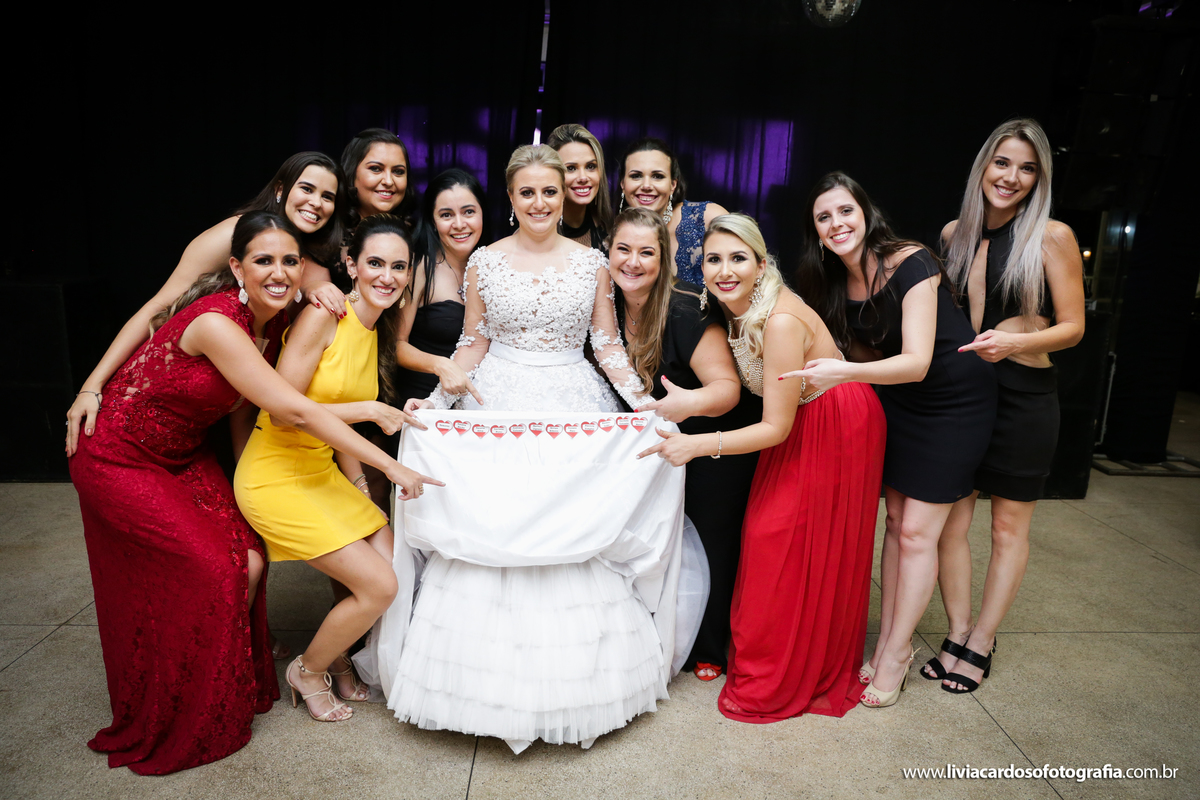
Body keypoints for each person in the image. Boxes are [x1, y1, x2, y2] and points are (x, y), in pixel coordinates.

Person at [69, 212, 432, 773]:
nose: (279, 272)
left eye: (290, 261)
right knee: (223, 570)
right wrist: (91, 385)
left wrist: (360, 484)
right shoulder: (222, 322)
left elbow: (279, 404)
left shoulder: (288, 319)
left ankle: (301, 664)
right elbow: (288, 411)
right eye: (264, 261)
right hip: (123, 449)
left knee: (256, 563)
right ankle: (255, 680)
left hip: (194, 452)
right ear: (237, 267)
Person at [386, 144, 665, 751]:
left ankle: (575, 688)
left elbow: (606, 344)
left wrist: (643, 402)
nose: (540, 203)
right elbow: (472, 343)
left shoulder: (593, 262)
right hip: (499, 402)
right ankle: (483, 690)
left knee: (568, 530)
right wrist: (435, 403)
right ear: (511, 199)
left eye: (550, 192)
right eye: (528, 192)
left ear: (564, 197)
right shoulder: (484, 262)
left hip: (572, 399)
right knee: (498, 524)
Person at [640, 213, 886, 721]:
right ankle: (782, 653)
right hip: (798, 421)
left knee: (787, 539)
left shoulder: (779, 321)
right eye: (714, 259)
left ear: (761, 263)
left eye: (738, 258)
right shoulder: (728, 307)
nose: (725, 270)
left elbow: (775, 426)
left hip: (834, 423)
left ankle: (797, 665)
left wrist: (696, 445)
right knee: (771, 539)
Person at [793, 173, 997, 709]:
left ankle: (898, 651)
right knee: (895, 523)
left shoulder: (911, 260)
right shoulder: (833, 283)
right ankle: (887, 640)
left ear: (866, 212)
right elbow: (865, 355)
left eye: (845, 211)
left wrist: (841, 372)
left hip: (954, 403)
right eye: (824, 217)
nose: (837, 224)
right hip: (902, 405)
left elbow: (916, 361)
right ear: (816, 233)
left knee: (916, 533)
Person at [235, 214, 435, 722]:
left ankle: (340, 653)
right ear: (351, 264)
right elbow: (285, 408)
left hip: (321, 471)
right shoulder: (324, 315)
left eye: (398, 267)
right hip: (275, 475)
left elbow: (336, 419)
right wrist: (383, 449)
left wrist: (360, 485)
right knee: (380, 586)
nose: (386, 277)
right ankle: (308, 670)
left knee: (391, 563)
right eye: (375, 263)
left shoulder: (374, 328)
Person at [924, 119, 1085, 693]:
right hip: (966, 397)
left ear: (1039, 178)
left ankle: (982, 640)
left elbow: (1074, 327)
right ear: (983, 167)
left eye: (1027, 168)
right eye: (1002, 163)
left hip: (1024, 399)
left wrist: (1014, 343)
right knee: (951, 523)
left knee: (1008, 528)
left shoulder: (1052, 236)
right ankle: (957, 630)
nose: (1011, 177)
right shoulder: (954, 234)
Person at [65, 152, 345, 455]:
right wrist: (92, 386)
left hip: (230, 401)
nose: (316, 202)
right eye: (307, 189)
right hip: (174, 386)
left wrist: (315, 286)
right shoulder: (231, 234)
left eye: (327, 196)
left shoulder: (312, 258)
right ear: (280, 189)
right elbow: (157, 308)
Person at [607, 206, 759, 682]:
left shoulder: (685, 309)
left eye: (646, 252)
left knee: (710, 539)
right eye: (623, 249)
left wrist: (685, 405)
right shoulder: (605, 308)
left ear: (664, 259)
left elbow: (726, 390)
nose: (633, 262)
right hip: (654, 446)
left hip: (714, 442)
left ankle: (708, 646)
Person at [302, 128, 416, 309]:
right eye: (376, 169)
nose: (388, 181)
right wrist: (311, 287)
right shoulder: (324, 232)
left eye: (398, 171)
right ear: (351, 173)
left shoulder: (414, 233)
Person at [616, 137, 727, 284]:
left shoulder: (706, 218)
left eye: (657, 176)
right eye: (636, 176)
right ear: (623, 184)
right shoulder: (614, 235)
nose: (646, 185)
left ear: (673, 185)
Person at [547, 123, 614, 251]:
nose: (583, 178)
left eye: (590, 166)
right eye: (571, 168)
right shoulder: (537, 233)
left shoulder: (610, 228)